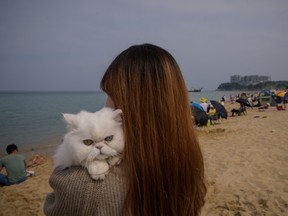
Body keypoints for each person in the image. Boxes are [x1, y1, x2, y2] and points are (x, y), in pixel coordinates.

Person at [44, 44, 206, 216]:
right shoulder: (190, 164)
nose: (106, 104)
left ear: (130, 105)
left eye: (109, 94)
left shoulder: (82, 185)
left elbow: (52, 206)